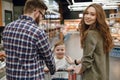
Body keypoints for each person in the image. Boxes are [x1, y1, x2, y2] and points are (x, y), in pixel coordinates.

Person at [2, 0, 56, 79]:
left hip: (11, 77)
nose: (41, 19)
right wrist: (52, 70)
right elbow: (48, 58)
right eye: (42, 15)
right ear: (36, 11)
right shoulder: (38, 32)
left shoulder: (8, 27)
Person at [67, 3, 114, 80]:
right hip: (102, 75)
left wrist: (79, 70)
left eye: (92, 14)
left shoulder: (90, 34)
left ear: (98, 17)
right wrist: (75, 62)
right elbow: (93, 55)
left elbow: (87, 60)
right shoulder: (103, 33)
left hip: (92, 75)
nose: (88, 16)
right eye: (86, 13)